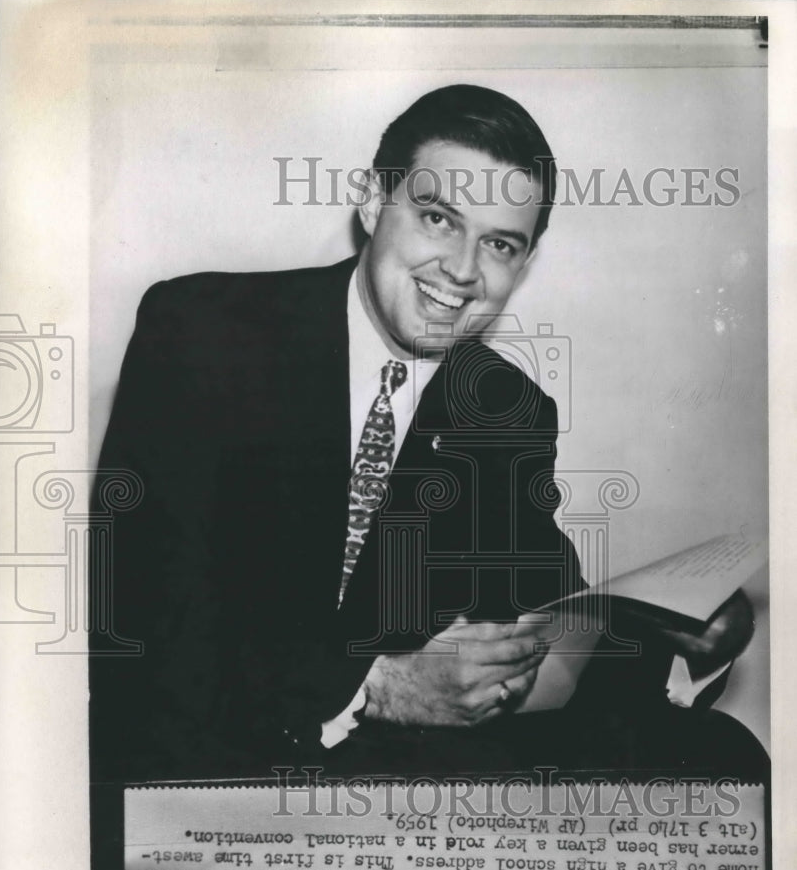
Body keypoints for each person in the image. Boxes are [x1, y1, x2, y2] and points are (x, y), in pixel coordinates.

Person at [89, 84, 767, 785]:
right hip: (198, 769)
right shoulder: (204, 330)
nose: (463, 271)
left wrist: (680, 636)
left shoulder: (504, 407)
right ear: (373, 202)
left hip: (384, 794)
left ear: (523, 264)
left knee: (721, 756)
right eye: (439, 219)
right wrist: (377, 688)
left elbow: (540, 619)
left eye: (499, 243)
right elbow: (142, 618)